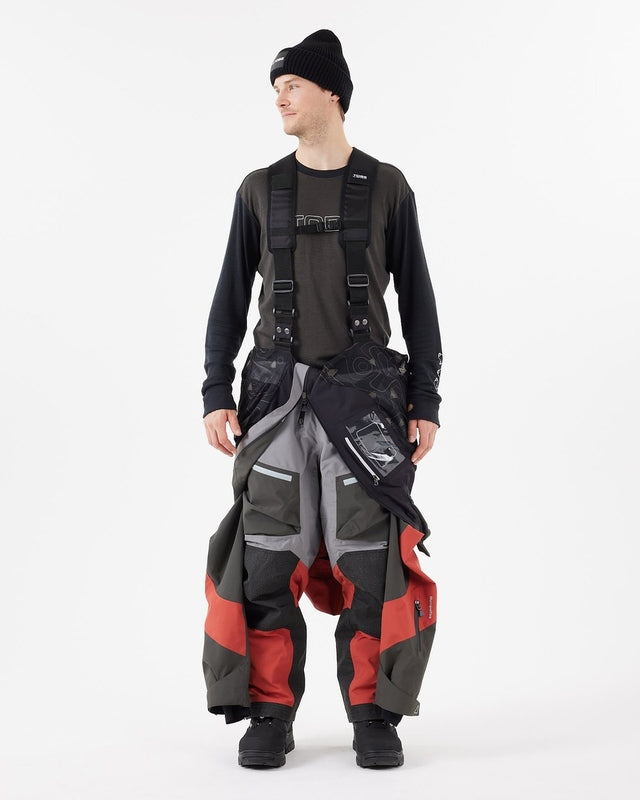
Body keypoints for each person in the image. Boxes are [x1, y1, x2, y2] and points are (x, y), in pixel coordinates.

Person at [201, 29, 443, 769]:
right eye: (276, 87)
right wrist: (214, 391)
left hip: (364, 404)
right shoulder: (258, 189)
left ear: (331, 92)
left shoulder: (388, 186)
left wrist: (426, 401)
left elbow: (421, 302)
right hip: (274, 402)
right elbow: (227, 300)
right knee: (267, 558)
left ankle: (374, 714)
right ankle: (268, 714)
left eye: (292, 85)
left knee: (369, 559)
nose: (279, 97)